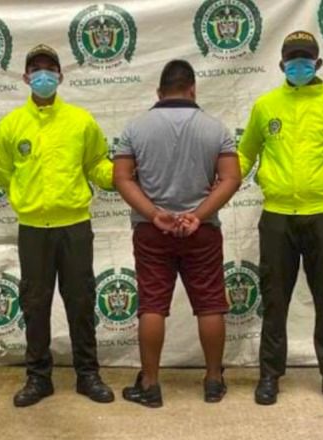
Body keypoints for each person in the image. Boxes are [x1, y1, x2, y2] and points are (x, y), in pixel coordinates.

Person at [238, 31, 323, 406]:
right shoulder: (265, 106)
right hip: (277, 217)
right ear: (281, 65)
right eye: (293, 60)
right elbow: (245, 154)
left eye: (306, 60)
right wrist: (224, 179)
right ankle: (269, 375)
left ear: (318, 63)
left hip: (322, 215)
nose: (299, 66)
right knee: (275, 300)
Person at [114, 60, 242, 408]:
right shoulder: (216, 128)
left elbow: (121, 177)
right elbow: (232, 178)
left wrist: (154, 214)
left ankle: (150, 385)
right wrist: (198, 216)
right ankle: (213, 381)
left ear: (159, 92)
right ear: (192, 89)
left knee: (152, 305)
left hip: (151, 230)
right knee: (210, 304)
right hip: (202, 231)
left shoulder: (135, 128)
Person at [0, 44, 115, 407]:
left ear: (60, 76)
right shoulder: (11, 125)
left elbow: (97, 164)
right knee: (35, 304)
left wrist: (121, 174)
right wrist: (26, 200)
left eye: (50, 68)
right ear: (26, 77)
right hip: (33, 229)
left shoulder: (81, 121)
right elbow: (4, 174)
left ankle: (88, 375)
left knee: (81, 301)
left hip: (75, 226)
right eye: (36, 69)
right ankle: (38, 378)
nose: (43, 75)